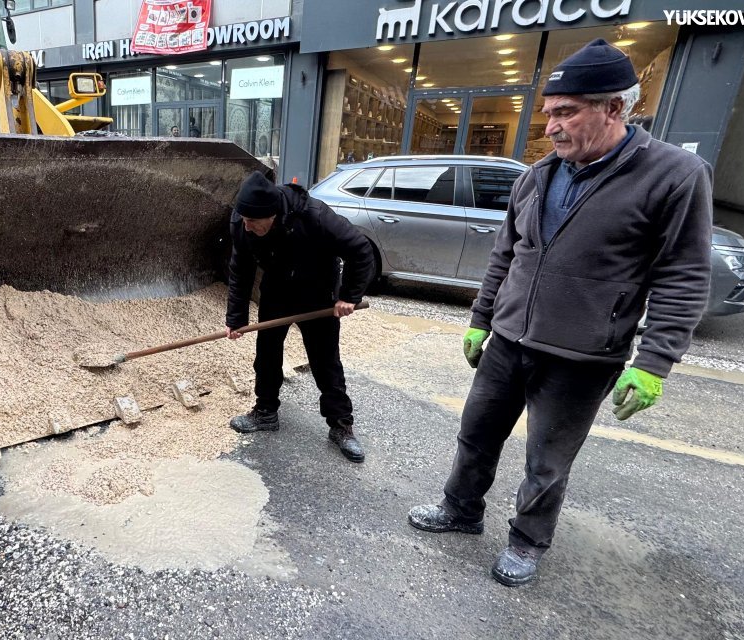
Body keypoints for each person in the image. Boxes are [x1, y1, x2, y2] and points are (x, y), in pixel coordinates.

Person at [407, 39, 713, 586]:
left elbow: (684, 275)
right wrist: (481, 318)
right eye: (548, 113)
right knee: (476, 434)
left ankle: (527, 542)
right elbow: (507, 255)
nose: (550, 127)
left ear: (614, 107)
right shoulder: (538, 175)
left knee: (546, 460)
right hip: (509, 341)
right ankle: (461, 509)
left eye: (566, 112)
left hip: (582, 354)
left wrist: (654, 362)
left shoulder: (674, 175)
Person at [225, 171, 376, 463]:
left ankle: (341, 425)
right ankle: (265, 411)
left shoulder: (314, 215)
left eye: (253, 221)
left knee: (325, 360)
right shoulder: (242, 223)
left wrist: (349, 296)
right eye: (243, 219)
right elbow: (240, 269)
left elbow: (360, 250)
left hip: (317, 291)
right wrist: (236, 318)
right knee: (267, 353)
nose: (246, 226)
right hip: (276, 289)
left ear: (272, 215)